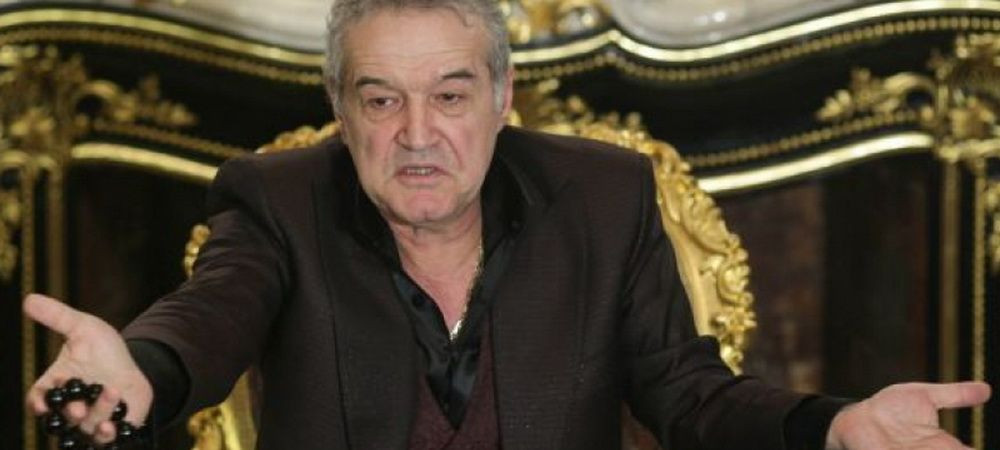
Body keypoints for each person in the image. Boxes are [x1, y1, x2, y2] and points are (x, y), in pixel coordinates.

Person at [24, 0, 991, 447]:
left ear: (502, 96)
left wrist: (835, 428)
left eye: (450, 95)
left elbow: (690, 397)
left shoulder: (606, 197)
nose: (417, 135)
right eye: (380, 99)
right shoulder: (277, 201)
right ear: (339, 110)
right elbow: (210, 314)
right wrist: (141, 370)